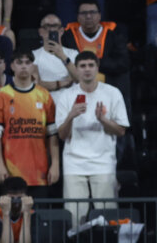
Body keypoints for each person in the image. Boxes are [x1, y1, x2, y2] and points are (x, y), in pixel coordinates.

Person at [53, 52, 127, 223]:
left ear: (97, 68)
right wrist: (71, 116)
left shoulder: (112, 93)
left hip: (103, 163)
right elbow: (62, 135)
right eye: (83, 66)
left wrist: (103, 120)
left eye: (91, 65)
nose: (87, 70)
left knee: (107, 217)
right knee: (75, 218)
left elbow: (121, 131)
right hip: (74, 164)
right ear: (76, 69)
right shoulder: (66, 96)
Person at [0, 51, 58, 194]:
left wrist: (55, 164)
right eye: (19, 63)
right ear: (12, 66)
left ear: (33, 66)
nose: (24, 66)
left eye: (28, 63)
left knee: (40, 216)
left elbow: (52, 134)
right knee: (11, 215)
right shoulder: (2, 95)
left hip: (40, 172)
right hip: (10, 172)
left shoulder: (44, 95)